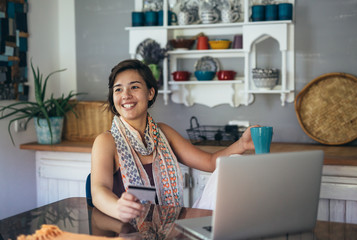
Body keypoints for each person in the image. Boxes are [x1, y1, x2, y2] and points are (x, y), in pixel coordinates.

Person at [91, 59, 256, 223]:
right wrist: (118, 208)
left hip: (169, 228)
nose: (125, 95)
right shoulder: (106, 141)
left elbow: (211, 162)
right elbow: (99, 190)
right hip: (127, 231)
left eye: (134, 87)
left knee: (229, 169)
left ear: (150, 93)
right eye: (118, 89)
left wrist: (242, 144)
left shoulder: (164, 133)